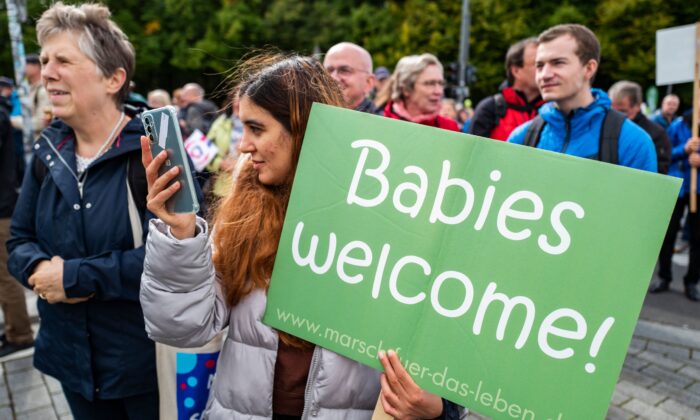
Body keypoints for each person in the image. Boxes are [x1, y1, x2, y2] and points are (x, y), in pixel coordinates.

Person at [139, 53, 458, 419]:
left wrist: (436, 408)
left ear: (301, 128)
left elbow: (443, 359)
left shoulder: (387, 220)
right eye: (243, 128)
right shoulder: (246, 209)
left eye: (256, 129)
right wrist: (179, 238)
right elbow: (182, 327)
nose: (243, 145)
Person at [6, 3, 158, 418]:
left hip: (144, 368)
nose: (47, 70)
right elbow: (18, 242)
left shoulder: (153, 153)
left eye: (64, 60)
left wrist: (72, 278)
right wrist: (38, 271)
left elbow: (172, 262)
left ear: (113, 78)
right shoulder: (48, 150)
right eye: (47, 59)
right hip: (70, 364)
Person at [508, 24, 656, 173]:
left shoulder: (632, 141)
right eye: (539, 66)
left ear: (589, 68)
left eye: (558, 63)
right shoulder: (521, 138)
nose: (545, 75)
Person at [0, 78, 34, 358]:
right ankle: (15, 328)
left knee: (5, 275)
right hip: (5, 203)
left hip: (2, 207)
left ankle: (20, 333)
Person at [651, 105, 700, 302]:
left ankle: (692, 282)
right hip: (678, 188)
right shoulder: (679, 125)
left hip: (698, 190)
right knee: (668, 234)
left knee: (698, 239)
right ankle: (664, 276)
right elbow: (666, 152)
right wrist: (684, 149)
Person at [470, 38, 544, 140]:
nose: (546, 70)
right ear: (516, 71)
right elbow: (474, 153)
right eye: (538, 64)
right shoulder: (490, 109)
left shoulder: (555, 111)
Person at [382, 54, 459, 131]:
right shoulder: (380, 125)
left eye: (441, 83)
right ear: (406, 89)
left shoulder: (450, 128)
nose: (438, 91)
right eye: (430, 83)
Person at [609, 80, 671, 174]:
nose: (615, 116)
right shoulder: (603, 127)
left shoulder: (656, 133)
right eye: (611, 111)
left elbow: (660, 172)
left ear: (637, 106)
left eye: (622, 111)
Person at [323, 42, 380, 114]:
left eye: (344, 70)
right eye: (329, 71)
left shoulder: (381, 124)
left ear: (368, 82)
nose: (333, 77)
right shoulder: (311, 115)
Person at [25, 53, 52, 142]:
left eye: (25, 65)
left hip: (42, 140)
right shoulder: (28, 88)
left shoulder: (43, 90)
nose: (22, 68)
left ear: (36, 67)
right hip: (31, 141)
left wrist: (13, 121)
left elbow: (41, 122)